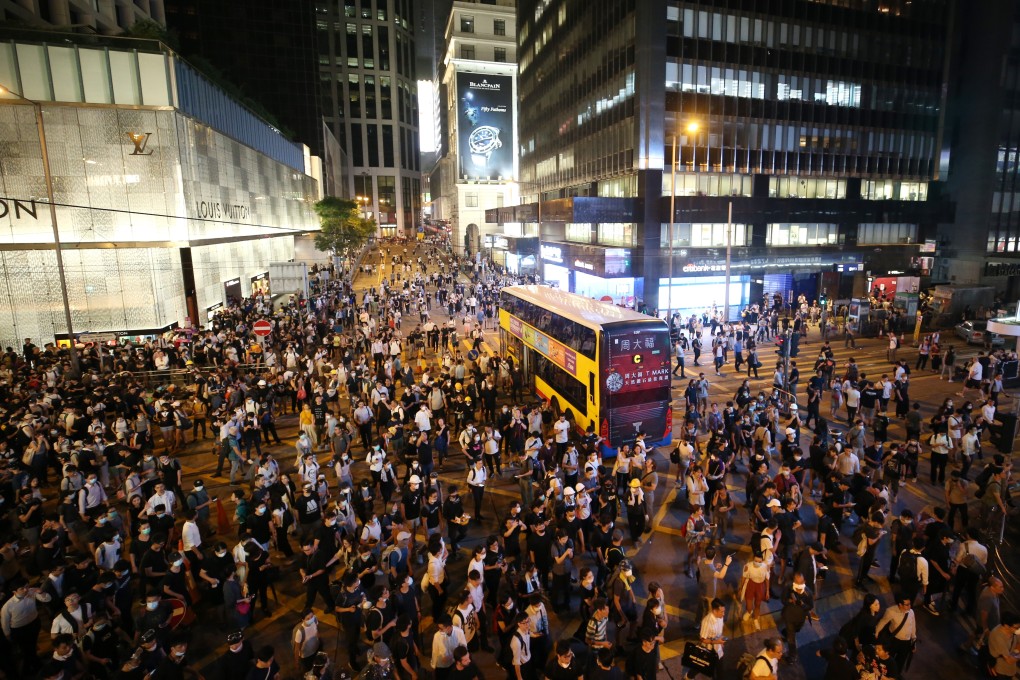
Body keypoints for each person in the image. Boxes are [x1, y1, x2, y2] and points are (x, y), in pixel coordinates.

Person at [875, 596, 917, 673]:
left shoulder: (911, 612)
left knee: (900, 663)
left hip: (906, 643)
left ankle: (894, 676)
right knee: (888, 660)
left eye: (910, 604)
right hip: (894, 640)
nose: (909, 606)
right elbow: (883, 621)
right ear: (900, 605)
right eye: (907, 605)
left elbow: (913, 627)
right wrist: (877, 632)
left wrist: (914, 641)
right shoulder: (891, 611)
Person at [780, 573, 814, 662]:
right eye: (797, 582)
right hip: (789, 616)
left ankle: (786, 633)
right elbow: (783, 600)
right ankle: (792, 655)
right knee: (792, 636)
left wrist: (802, 604)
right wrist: (789, 600)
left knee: (796, 629)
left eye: (801, 582)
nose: (799, 585)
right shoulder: (788, 588)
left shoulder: (808, 592)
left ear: (804, 581)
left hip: (801, 618)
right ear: (793, 581)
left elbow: (810, 606)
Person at [432, 614, 467, 680]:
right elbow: (435, 652)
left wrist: (452, 656)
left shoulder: (459, 632)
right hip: (441, 666)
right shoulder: (436, 636)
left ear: (448, 627)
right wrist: (434, 666)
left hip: (455, 664)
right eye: (438, 628)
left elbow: (464, 649)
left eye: (441, 629)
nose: (439, 630)